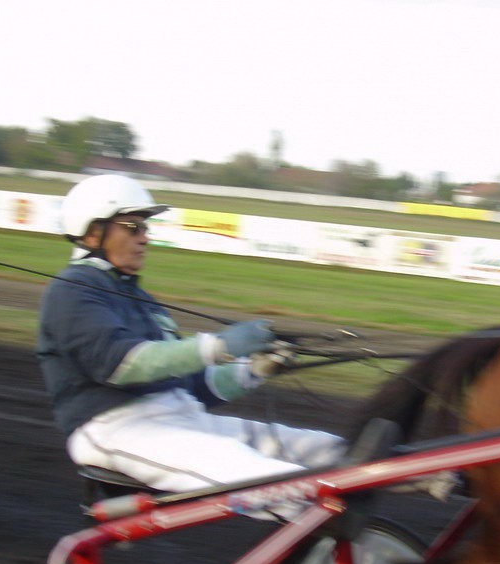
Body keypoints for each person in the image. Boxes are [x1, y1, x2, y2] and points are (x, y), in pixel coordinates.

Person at [37, 174, 346, 497]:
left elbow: (193, 387)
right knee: (281, 484)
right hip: (117, 428)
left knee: (332, 451)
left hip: (184, 417)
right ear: (93, 232)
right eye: (133, 227)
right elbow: (120, 364)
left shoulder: (139, 298)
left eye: (145, 228)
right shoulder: (71, 291)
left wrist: (253, 369)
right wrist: (219, 347)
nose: (145, 238)